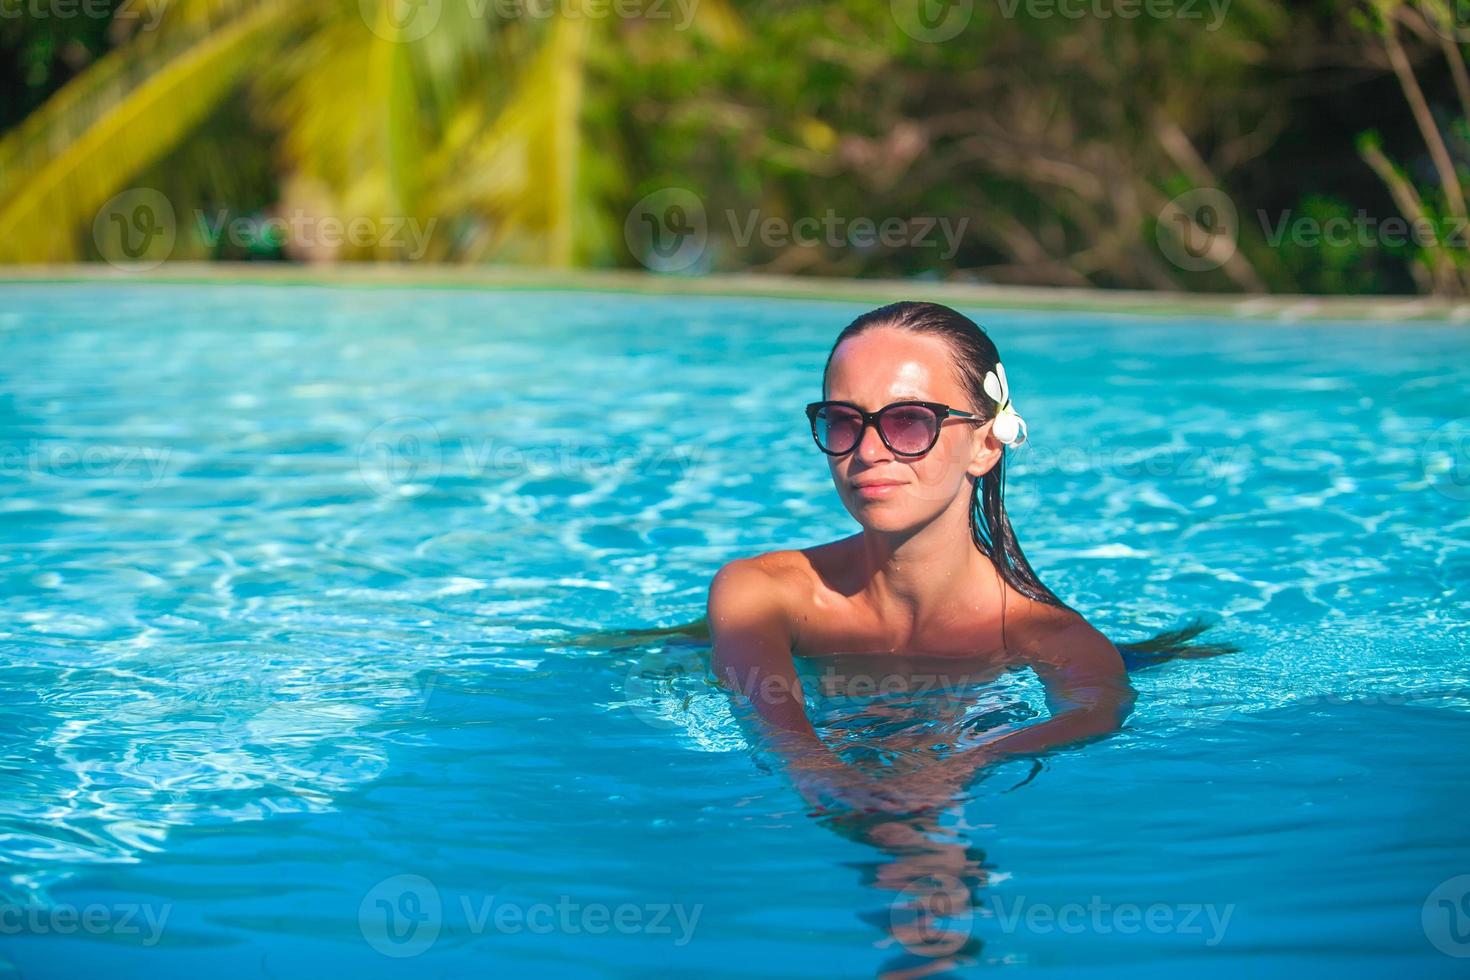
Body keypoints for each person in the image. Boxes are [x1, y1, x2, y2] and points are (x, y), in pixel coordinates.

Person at [705, 300, 1230, 817]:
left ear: (985, 445)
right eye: (843, 421)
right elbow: (781, 736)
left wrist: (958, 770)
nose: (866, 451)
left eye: (909, 421)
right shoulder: (763, 594)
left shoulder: (1048, 637)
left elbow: (1096, 711)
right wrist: (835, 779)